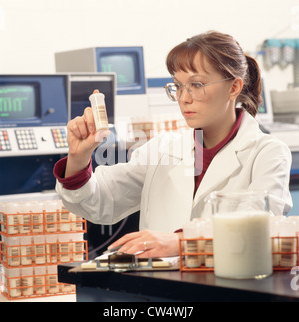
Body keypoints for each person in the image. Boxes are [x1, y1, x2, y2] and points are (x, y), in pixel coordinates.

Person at [54, 31, 292, 258]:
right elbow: (97, 202)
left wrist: (182, 242)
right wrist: (78, 157)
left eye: (197, 85)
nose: (184, 98)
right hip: (162, 290)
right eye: (178, 86)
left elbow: (262, 230)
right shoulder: (162, 150)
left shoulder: (267, 153)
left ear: (234, 87)